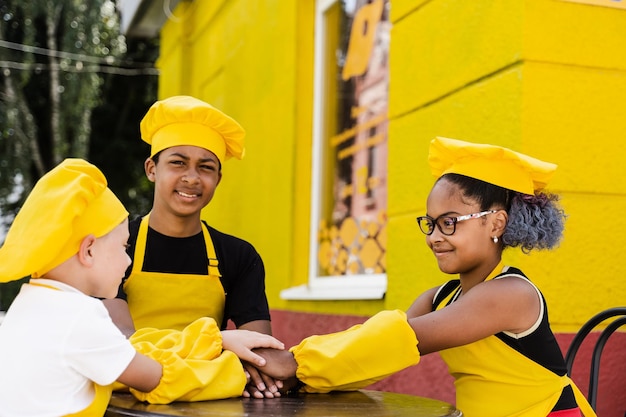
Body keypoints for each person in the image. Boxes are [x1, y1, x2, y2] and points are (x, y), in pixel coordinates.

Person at [253, 137, 596, 417]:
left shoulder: (510, 294)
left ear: (496, 223)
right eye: (430, 224)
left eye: (449, 222)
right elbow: (380, 347)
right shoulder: (439, 298)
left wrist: (294, 362)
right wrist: (299, 381)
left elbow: (407, 338)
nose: (433, 237)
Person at [0, 159, 285, 416]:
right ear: (88, 251)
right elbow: (159, 377)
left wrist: (218, 340)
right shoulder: (81, 317)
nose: (127, 260)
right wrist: (238, 371)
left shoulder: (28, 304)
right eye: (124, 247)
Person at [102, 95, 278, 398]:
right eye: (178, 163)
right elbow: (122, 341)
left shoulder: (238, 256)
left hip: (203, 397)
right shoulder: (117, 248)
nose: (192, 178)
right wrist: (220, 343)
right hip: (127, 399)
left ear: (218, 178)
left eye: (205, 167)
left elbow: (259, 352)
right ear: (151, 169)